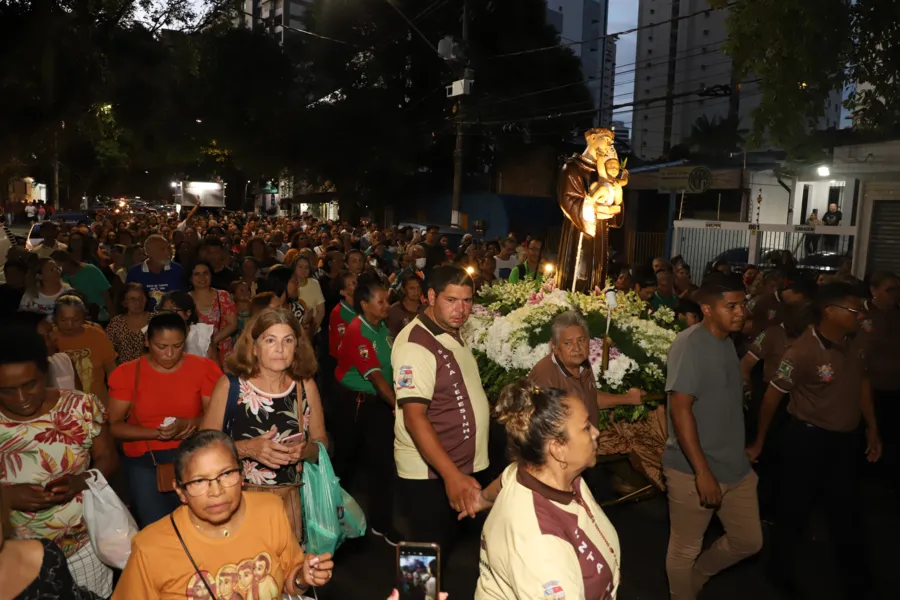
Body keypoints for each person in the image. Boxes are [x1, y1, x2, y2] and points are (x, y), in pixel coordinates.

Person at [749, 282, 881, 599]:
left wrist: (872, 427)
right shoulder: (802, 351)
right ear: (829, 312)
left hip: (845, 442)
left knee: (847, 512)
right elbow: (771, 398)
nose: (860, 315)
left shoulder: (856, 342)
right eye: (853, 310)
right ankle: (778, 572)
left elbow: (861, 382)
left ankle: (857, 580)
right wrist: (760, 441)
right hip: (807, 441)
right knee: (794, 509)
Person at [112, 430, 334, 598]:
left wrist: (303, 577)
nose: (216, 492)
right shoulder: (150, 548)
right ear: (181, 491)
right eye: (199, 481)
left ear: (242, 476)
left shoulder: (270, 510)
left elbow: (288, 579)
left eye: (226, 474)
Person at [663, 273, 762, 600]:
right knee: (684, 548)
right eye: (731, 306)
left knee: (748, 540)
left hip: (733, 465)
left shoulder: (726, 341)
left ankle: (699, 577)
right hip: (694, 468)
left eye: (742, 304)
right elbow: (681, 410)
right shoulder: (689, 343)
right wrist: (702, 472)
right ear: (706, 309)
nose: (740, 312)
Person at [0, 323, 118, 597]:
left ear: (46, 373)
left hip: (82, 546)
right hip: (13, 556)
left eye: (30, 385)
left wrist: (80, 481)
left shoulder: (80, 407)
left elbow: (108, 460)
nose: (21, 398)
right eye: (6, 390)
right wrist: (5, 498)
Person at [473, 382, 620, 599]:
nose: (596, 433)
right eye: (586, 427)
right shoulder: (540, 547)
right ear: (558, 449)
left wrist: (479, 500)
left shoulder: (535, 472)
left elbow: (504, 480)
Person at [391, 265, 492, 566]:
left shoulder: (449, 331)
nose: (461, 310)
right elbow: (414, 417)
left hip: (456, 468)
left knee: (444, 552)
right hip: (430, 475)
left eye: (467, 300)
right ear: (431, 297)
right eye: (451, 300)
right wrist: (450, 476)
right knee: (423, 562)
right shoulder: (416, 345)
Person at [201, 308, 327, 540]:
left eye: (288, 340)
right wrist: (249, 448)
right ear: (254, 347)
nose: (280, 349)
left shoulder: (304, 385)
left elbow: (322, 445)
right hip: (239, 500)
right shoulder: (231, 386)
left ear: (296, 347)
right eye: (270, 340)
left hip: (291, 501)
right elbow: (203, 448)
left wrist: (305, 450)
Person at [107, 311, 222, 527]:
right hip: (144, 460)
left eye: (177, 346)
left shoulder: (202, 368)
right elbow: (114, 426)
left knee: (199, 522)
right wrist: (157, 433)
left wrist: (189, 424)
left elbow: (214, 416)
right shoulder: (128, 374)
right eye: (161, 347)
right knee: (157, 526)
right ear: (147, 342)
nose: (169, 354)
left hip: (192, 455)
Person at [333, 275, 400, 544]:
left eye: (387, 300)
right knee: (347, 463)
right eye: (380, 302)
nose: (386, 306)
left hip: (376, 403)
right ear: (364, 304)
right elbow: (377, 380)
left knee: (382, 464)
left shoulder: (382, 327)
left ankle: (381, 523)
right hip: (354, 404)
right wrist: (401, 407)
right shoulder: (357, 331)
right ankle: (333, 517)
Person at [857, 271, 900, 490]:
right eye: (889, 289)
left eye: (897, 289)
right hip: (870, 387)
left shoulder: (895, 315)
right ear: (874, 291)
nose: (895, 294)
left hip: (894, 387)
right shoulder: (861, 315)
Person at [53, 295, 117, 406]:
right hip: (64, 407)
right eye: (63, 320)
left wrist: (117, 395)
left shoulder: (97, 335)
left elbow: (110, 368)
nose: (70, 325)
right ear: (55, 319)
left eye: (75, 320)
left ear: (84, 317)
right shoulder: (50, 338)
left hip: (98, 404)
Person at [189, 261, 238, 365]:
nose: (202, 277)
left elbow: (232, 324)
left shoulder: (222, 295)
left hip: (222, 350)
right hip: (195, 352)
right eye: (197, 274)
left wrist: (212, 342)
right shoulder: (185, 299)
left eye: (205, 273)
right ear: (190, 278)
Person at [51, 249, 115, 324]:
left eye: (59, 266)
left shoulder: (90, 270)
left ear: (67, 261)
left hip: (99, 313)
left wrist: (112, 317)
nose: (58, 269)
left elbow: (106, 294)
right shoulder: (62, 277)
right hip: (77, 313)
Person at [125, 234, 185, 310]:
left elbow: (184, 298)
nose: (168, 253)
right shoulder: (134, 273)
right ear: (148, 252)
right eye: (162, 249)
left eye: (168, 248)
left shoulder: (178, 270)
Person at [158, 290, 217, 361]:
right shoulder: (155, 333)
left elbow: (215, 367)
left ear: (188, 313)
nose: (167, 315)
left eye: (172, 310)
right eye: (164, 311)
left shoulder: (203, 333)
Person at [107, 282, 151, 364]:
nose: (137, 303)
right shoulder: (116, 323)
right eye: (132, 299)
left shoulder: (156, 319)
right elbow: (108, 353)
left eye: (141, 298)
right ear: (124, 302)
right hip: (125, 371)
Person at [328, 271, 357, 358]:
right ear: (343, 292)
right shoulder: (338, 313)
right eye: (353, 283)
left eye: (357, 281)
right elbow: (343, 345)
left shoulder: (362, 306)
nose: (358, 285)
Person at [387, 272, 423, 338]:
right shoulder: (394, 311)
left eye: (419, 287)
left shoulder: (426, 308)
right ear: (403, 289)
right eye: (412, 288)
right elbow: (391, 337)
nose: (416, 291)